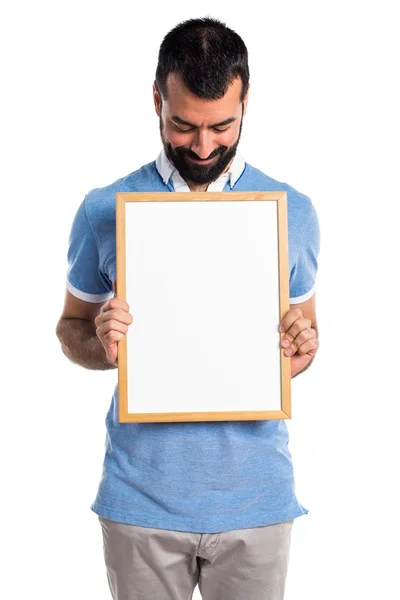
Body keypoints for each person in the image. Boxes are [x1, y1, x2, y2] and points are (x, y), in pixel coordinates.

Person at [56, 16, 320, 600]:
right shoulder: (105, 209)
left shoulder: (292, 212)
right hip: (140, 499)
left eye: (222, 126)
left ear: (246, 101)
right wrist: (102, 345)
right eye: (183, 126)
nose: (203, 147)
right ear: (156, 99)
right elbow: (71, 327)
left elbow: (304, 341)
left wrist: (301, 349)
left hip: (258, 499)